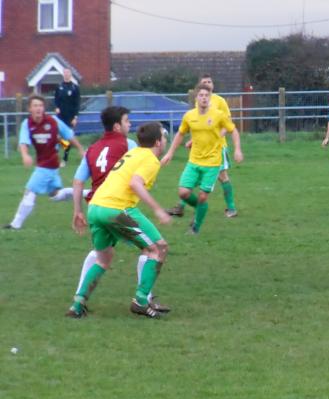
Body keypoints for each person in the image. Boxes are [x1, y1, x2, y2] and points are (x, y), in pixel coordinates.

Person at [66, 122, 172, 319]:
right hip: (116, 209)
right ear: (158, 142)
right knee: (158, 248)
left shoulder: (133, 153)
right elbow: (135, 183)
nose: (165, 141)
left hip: (95, 207)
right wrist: (158, 209)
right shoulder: (150, 158)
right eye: (164, 138)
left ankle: (78, 304)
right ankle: (141, 301)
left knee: (103, 259)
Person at [161, 84, 243, 235]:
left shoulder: (218, 115)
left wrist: (237, 149)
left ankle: (195, 227)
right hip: (194, 161)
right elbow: (180, 134)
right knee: (183, 193)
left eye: (206, 95)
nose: (204, 98)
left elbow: (234, 130)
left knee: (203, 196)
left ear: (209, 98)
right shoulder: (189, 116)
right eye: (201, 95)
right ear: (196, 98)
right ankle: (200, 209)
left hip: (212, 163)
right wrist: (170, 153)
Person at [3, 95, 84, 230]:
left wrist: (81, 149)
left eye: (40, 105)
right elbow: (23, 142)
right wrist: (25, 155)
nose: (38, 108)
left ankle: (15, 224)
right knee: (56, 195)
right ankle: (87, 193)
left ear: (44, 108)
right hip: (46, 164)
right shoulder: (27, 124)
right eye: (35, 106)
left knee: (30, 191)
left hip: (48, 164)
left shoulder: (53, 121)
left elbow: (69, 135)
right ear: (29, 108)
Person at [54, 68, 81, 166]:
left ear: (70, 75)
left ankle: (64, 159)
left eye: (68, 73)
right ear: (63, 75)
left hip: (70, 117)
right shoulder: (59, 87)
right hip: (60, 117)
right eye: (64, 73)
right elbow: (56, 99)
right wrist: (56, 107)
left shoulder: (74, 87)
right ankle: (55, 158)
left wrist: (75, 117)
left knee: (67, 138)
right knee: (57, 138)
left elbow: (77, 103)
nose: (66, 74)